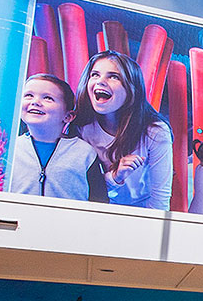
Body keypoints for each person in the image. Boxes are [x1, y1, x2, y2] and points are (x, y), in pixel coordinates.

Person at [71, 50, 174, 210]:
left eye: (113, 76)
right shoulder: (82, 128)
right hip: (98, 210)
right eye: (95, 75)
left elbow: (160, 197)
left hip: (141, 214)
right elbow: (81, 189)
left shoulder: (155, 131)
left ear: (133, 90)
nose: (100, 81)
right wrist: (114, 177)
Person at [10, 74, 107, 201]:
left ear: (68, 116)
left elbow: (99, 199)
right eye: (29, 95)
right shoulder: (10, 149)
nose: (35, 102)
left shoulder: (84, 153)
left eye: (48, 98)